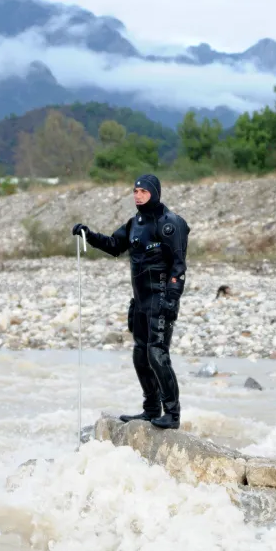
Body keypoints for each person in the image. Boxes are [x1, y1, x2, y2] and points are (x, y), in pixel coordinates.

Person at [72, 173, 189, 429]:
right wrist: (88, 235)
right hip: (140, 302)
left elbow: (178, 267)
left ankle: (172, 414)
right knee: (140, 355)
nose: (137, 196)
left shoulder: (171, 223)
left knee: (157, 353)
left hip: (161, 299)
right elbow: (114, 245)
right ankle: (150, 409)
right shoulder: (134, 223)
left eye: (143, 192)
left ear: (154, 193)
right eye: (135, 191)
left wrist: (172, 299)